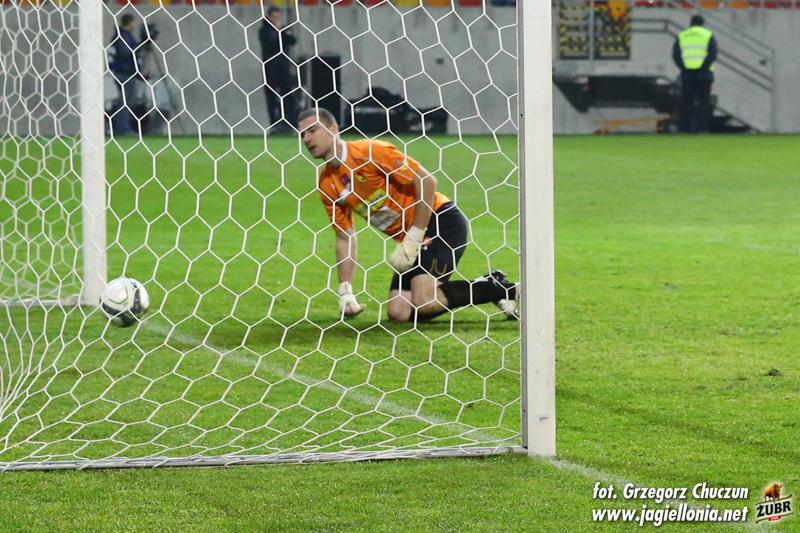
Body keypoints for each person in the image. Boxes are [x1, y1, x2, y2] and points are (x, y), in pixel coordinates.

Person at [298, 108, 519, 323]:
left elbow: (427, 181)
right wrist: (345, 291)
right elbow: (345, 236)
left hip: (439, 221)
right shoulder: (327, 184)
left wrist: (415, 234)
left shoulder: (370, 151)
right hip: (411, 242)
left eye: (313, 130)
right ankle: (488, 284)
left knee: (425, 301)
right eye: (302, 134)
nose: (306, 139)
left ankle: (512, 290)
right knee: (399, 313)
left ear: (333, 130)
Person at [672, 15, 718, 133]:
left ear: (691, 24)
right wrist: (702, 68)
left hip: (687, 74)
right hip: (704, 75)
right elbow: (712, 54)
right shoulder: (708, 35)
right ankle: (702, 128)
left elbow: (676, 55)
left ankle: (684, 128)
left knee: (686, 101)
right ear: (703, 24)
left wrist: (684, 67)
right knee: (703, 102)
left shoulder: (682, 35)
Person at [259, 7, 298, 133]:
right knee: (271, 97)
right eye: (274, 17)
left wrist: (282, 31)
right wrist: (281, 33)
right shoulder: (264, 31)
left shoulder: (284, 28)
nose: (277, 20)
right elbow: (270, 44)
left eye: (278, 17)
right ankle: (274, 124)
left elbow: (293, 41)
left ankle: (292, 123)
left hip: (284, 68)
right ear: (269, 17)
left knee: (288, 95)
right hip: (270, 68)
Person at [107, 13, 143, 136]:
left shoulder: (120, 35)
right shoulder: (123, 36)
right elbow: (126, 53)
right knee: (125, 101)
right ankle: (121, 127)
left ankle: (122, 126)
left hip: (124, 72)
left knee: (127, 100)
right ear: (130, 23)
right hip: (124, 73)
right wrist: (140, 46)